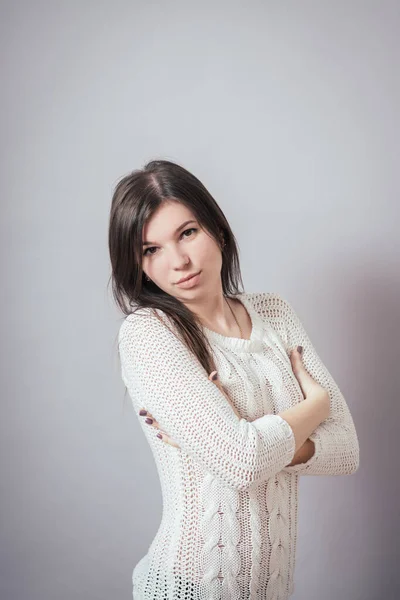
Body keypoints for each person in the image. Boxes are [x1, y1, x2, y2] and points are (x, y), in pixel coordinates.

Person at [108, 159, 359, 600]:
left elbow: (346, 451)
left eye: (187, 233)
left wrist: (241, 436)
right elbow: (243, 462)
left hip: (272, 589)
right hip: (187, 586)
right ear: (140, 265)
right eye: (152, 250)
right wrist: (315, 406)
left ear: (217, 230)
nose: (179, 260)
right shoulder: (149, 333)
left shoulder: (275, 314)